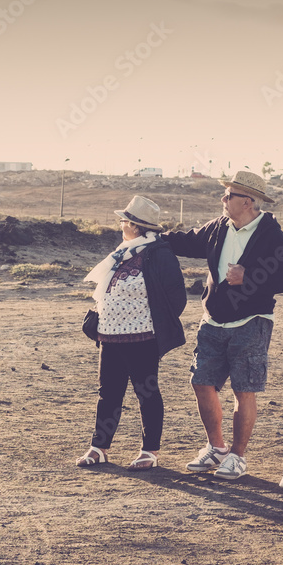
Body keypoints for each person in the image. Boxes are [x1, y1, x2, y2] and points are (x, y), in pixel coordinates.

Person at [162, 171, 283, 479]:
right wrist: (150, 237)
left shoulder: (270, 234)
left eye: (229, 195)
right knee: (201, 381)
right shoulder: (219, 227)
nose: (223, 199)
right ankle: (217, 448)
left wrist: (248, 277)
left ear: (247, 202)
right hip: (213, 319)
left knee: (243, 389)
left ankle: (237, 456)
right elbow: (186, 241)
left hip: (252, 320)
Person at [76, 196, 187, 471]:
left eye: (124, 220)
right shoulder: (123, 252)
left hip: (142, 338)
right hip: (109, 335)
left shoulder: (159, 254)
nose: (121, 224)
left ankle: (150, 451)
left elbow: (177, 297)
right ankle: (99, 448)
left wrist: (153, 323)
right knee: (108, 393)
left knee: (146, 392)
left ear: (135, 226)